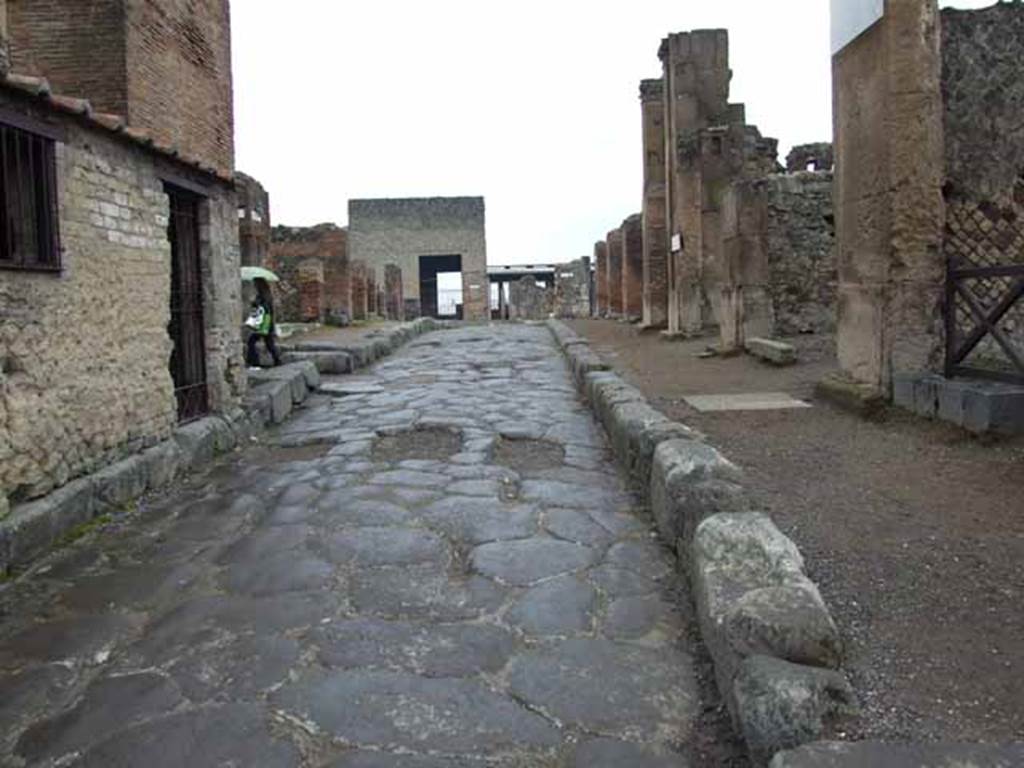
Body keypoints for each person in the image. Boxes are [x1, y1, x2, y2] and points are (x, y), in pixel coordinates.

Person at [246, 277, 282, 368]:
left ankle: (254, 362)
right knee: (269, 343)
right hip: (267, 322)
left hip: (264, 322)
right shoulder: (267, 294)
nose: (254, 285)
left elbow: (263, 307)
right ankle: (277, 361)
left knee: (252, 342)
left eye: (255, 284)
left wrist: (254, 303)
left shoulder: (263, 296)